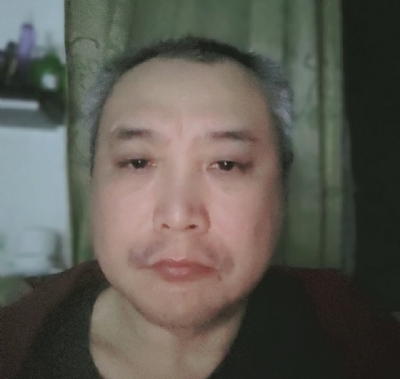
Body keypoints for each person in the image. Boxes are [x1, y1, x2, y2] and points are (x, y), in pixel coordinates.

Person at [1, 36, 399, 379]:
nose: (178, 216)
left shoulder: (355, 335)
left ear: (282, 189)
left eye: (226, 164)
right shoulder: (17, 347)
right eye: (137, 162)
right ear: (93, 186)